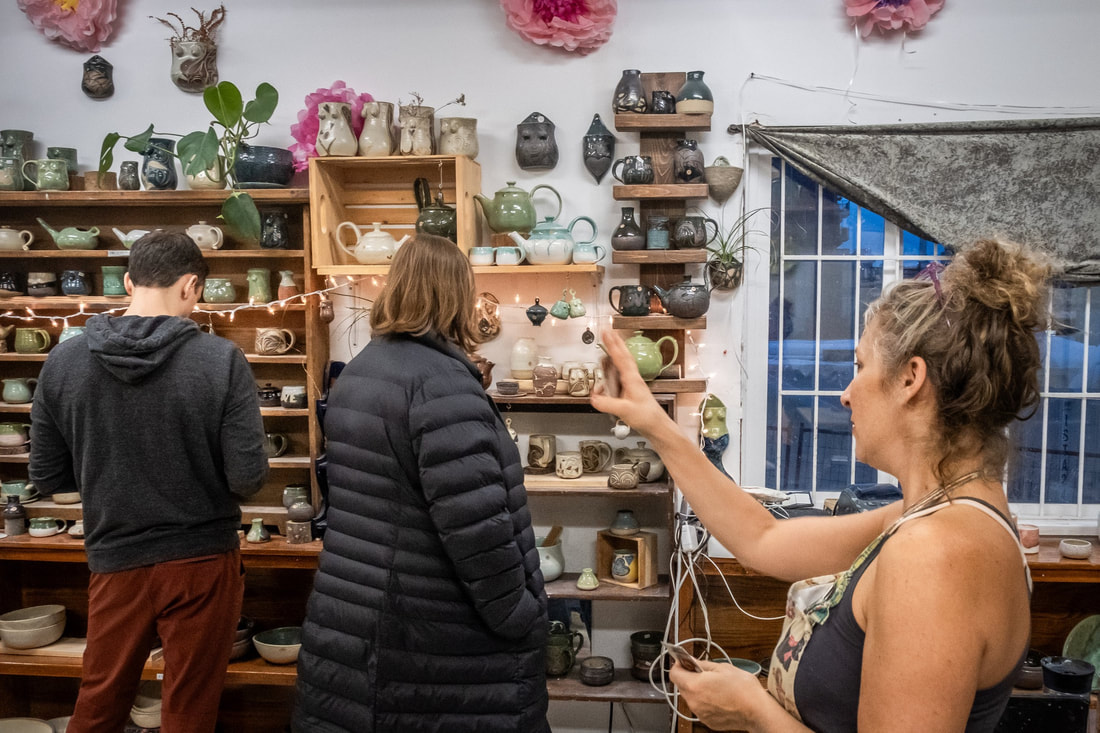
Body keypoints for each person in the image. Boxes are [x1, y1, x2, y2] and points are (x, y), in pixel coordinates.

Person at [591, 238, 1049, 732]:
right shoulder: (934, 513)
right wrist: (656, 424)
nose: (846, 394)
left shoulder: (936, 554)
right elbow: (762, 539)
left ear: (910, 379)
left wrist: (753, 710)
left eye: (860, 367)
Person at [294, 233, 549, 732]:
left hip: (354, 617)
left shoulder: (361, 372)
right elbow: (477, 530)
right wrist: (523, 614)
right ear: (455, 296)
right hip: (433, 636)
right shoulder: (443, 385)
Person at [29, 231, 268, 732]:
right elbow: (247, 477)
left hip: (114, 557)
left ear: (129, 282)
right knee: (189, 709)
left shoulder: (64, 361)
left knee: (98, 704)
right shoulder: (220, 361)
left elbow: (48, 478)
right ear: (191, 287)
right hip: (202, 561)